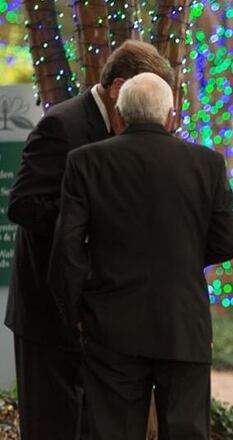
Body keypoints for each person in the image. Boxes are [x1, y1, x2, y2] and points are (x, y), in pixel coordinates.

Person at [47, 72, 233, 438]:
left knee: (111, 432)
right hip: (182, 321)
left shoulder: (86, 161)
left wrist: (76, 314)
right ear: (170, 115)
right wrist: (185, 258)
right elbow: (229, 241)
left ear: (119, 115)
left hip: (110, 325)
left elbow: (67, 249)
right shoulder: (207, 163)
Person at [5, 40, 174, 440]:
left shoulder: (128, 131)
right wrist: (88, 220)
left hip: (100, 317)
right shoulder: (62, 125)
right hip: (49, 313)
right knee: (52, 426)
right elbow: (23, 205)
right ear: (118, 88)